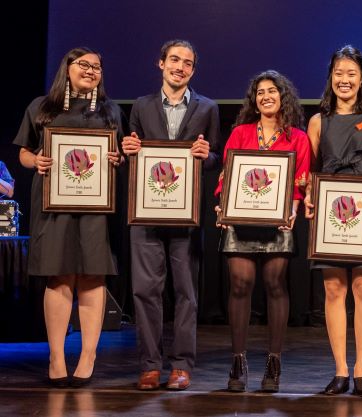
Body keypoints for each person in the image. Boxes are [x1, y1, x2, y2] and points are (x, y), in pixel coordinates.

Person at [12, 46, 124, 387]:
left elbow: (116, 153)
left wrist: (116, 160)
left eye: (97, 67)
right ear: (68, 67)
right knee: (58, 276)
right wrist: (37, 162)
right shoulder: (41, 106)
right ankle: (57, 356)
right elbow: (23, 153)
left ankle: (88, 355)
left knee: (92, 275)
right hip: (52, 204)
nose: (91, 71)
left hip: (94, 205)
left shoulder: (110, 110)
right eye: (84, 65)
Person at [121, 39, 221, 391]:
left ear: (193, 69)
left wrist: (207, 154)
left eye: (188, 62)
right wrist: (128, 149)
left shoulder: (208, 108)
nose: (180, 66)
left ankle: (181, 365)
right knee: (145, 290)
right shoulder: (141, 106)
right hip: (146, 214)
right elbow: (133, 155)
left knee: (185, 291)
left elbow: (214, 161)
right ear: (160, 63)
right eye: (174, 60)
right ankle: (149, 365)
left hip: (187, 215)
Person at [214, 70, 310, 393]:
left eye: (272, 91)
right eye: (260, 92)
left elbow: (301, 181)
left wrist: (293, 208)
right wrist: (222, 205)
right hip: (240, 221)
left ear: (284, 96)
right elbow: (226, 175)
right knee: (240, 284)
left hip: (280, 221)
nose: (266, 96)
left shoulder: (298, 137)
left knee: (274, 284)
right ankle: (238, 362)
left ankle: (273, 362)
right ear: (254, 101)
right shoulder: (240, 133)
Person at [304, 45, 362, 397]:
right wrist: (309, 195)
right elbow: (308, 172)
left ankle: (361, 370)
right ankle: (340, 370)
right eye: (339, 73)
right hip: (330, 215)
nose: (344, 79)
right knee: (333, 289)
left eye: (351, 73)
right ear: (331, 77)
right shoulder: (316, 121)